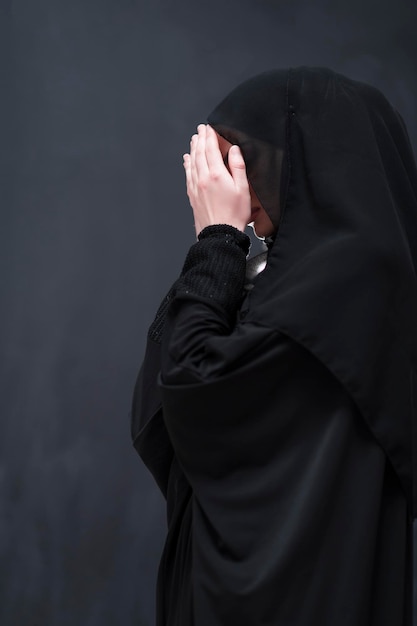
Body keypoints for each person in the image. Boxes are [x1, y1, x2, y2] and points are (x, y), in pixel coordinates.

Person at [130, 66, 417, 626]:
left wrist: (218, 241)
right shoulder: (287, 278)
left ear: (303, 154)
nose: (235, 186)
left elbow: (194, 390)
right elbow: (161, 409)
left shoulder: (350, 281)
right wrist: (222, 250)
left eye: (243, 160)